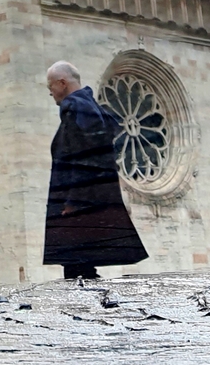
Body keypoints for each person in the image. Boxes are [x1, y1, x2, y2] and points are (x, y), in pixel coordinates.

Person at [43, 61, 147, 281]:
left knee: (77, 269)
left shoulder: (78, 108)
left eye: (51, 86)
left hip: (78, 205)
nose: (50, 93)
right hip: (85, 202)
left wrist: (74, 201)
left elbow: (87, 158)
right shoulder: (87, 107)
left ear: (62, 83)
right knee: (81, 266)